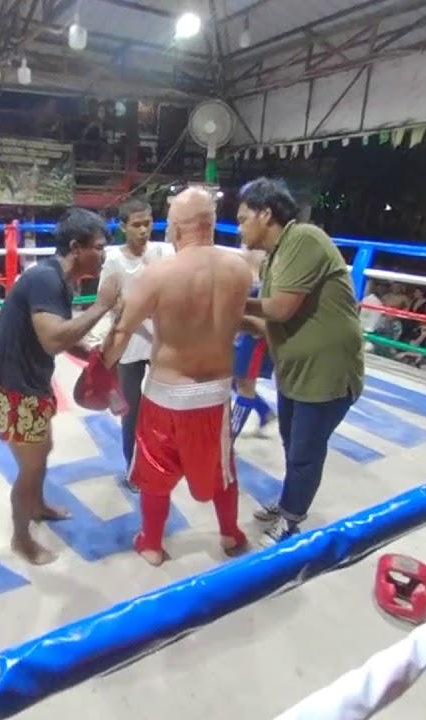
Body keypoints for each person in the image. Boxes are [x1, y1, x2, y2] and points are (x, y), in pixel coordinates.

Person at [102, 187, 251, 566]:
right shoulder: (239, 269)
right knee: (222, 467)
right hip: (214, 393)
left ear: (179, 229)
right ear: (212, 224)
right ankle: (230, 534)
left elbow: (121, 332)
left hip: (166, 394)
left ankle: (152, 544)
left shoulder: (159, 273)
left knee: (154, 471)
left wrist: (101, 372)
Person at [0, 208, 118, 565]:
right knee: (31, 467)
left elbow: (58, 333)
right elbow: (54, 338)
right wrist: (103, 305)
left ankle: (39, 507)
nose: (103, 254)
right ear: (76, 247)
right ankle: (21, 539)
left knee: (42, 454)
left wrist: (88, 350)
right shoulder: (46, 279)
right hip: (15, 390)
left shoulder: (58, 280)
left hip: (29, 384)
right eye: (99, 247)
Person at [238, 178, 364, 547]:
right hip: (296, 373)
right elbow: (268, 323)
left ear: (266, 213)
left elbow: (279, 308)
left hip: (327, 374)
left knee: (305, 451)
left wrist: (228, 298)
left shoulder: (304, 239)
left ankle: (291, 520)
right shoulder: (275, 258)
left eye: (245, 218)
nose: (241, 225)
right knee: (293, 443)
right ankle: (290, 501)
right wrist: (230, 318)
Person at [97, 197, 174, 488]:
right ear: (123, 226)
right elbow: (106, 302)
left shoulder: (163, 252)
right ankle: (133, 471)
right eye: (137, 225)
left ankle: (158, 461)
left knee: (162, 408)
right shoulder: (115, 259)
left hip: (161, 342)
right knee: (131, 412)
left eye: (147, 223)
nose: (143, 230)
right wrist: (135, 316)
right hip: (129, 344)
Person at [232, 247, 275, 438]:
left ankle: (229, 436)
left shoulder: (271, 258)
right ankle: (265, 411)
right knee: (234, 380)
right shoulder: (248, 253)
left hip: (255, 336)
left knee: (244, 385)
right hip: (241, 331)